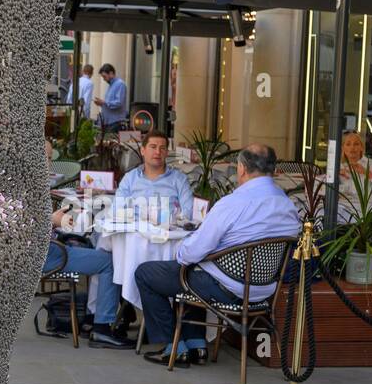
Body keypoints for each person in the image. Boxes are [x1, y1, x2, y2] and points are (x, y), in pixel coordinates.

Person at [135, 144, 299, 365]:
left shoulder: (233, 203)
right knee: (194, 273)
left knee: (147, 273)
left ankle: (171, 347)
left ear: (241, 169)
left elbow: (191, 252)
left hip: (228, 287)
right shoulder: (288, 205)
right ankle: (197, 345)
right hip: (265, 288)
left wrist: (182, 251)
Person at [44, 205, 134, 349]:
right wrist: (52, 221)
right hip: (46, 254)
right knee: (108, 262)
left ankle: (95, 319)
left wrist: (54, 222)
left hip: (50, 248)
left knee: (96, 250)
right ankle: (101, 328)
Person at [115, 130, 194, 223]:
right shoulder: (130, 179)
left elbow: (188, 211)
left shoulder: (179, 179)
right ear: (142, 150)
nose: (158, 152)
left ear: (167, 153)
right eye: (153, 147)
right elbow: (117, 208)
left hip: (169, 233)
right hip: (136, 232)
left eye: (162, 148)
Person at [333, 130, 372, 223]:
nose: (352, 148)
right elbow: (329, 190)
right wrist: (336, 178)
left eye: (356, 144)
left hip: (369, 210)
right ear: (343, 148)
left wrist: (367, 173)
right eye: (348, 144)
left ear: (361, 147)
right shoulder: (338, 167)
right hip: (345, 209)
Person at [94, 62, 129, 128]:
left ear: (111, 73)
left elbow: (119, 102)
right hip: (109, 122)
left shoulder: (120, 84)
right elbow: (109, 104)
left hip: (116, 122)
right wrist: (102, 104)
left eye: (104, 76)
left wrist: (104, 103)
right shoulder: (111, 86)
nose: (104, 79)